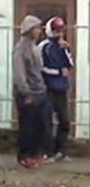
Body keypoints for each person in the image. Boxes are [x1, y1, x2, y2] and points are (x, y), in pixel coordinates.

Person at [13, 15, 52, 169]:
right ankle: (24, 155)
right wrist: (25, 92)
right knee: (27, 126)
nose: (39, 31)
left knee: (40, 125)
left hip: (40, 90)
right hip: (29, 93)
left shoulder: (34, 46)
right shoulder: (21, 48)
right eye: (36, 28)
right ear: (29, 29)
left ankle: (36, 154)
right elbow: (19, 72)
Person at [40, 17, 73, 162]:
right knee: (48, 120)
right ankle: (49, 152)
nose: (59, 33)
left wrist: (66, 49)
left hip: (61, 87)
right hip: (48, 87)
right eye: (56, 30)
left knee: (64, 120)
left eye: (61, 30)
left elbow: (70, 63)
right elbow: (41, 67)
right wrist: (58, 72)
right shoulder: (44, 46)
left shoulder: (63, 46)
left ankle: (61, 150)